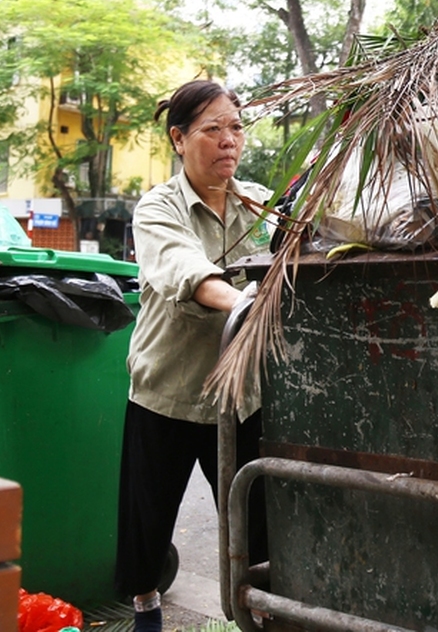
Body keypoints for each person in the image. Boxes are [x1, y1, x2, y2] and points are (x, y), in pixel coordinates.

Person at [114, 79, 272, 632]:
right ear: (179, 139)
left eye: (236, 127)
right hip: (170, 388)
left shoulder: (256, 203)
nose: (228, 140)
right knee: (147, 519)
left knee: (257, 520)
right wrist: (243, 303)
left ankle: (260, 611)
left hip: (239, 393)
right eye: (213, 129)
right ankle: (145, 607)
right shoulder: (158, 207)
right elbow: (184, 268)